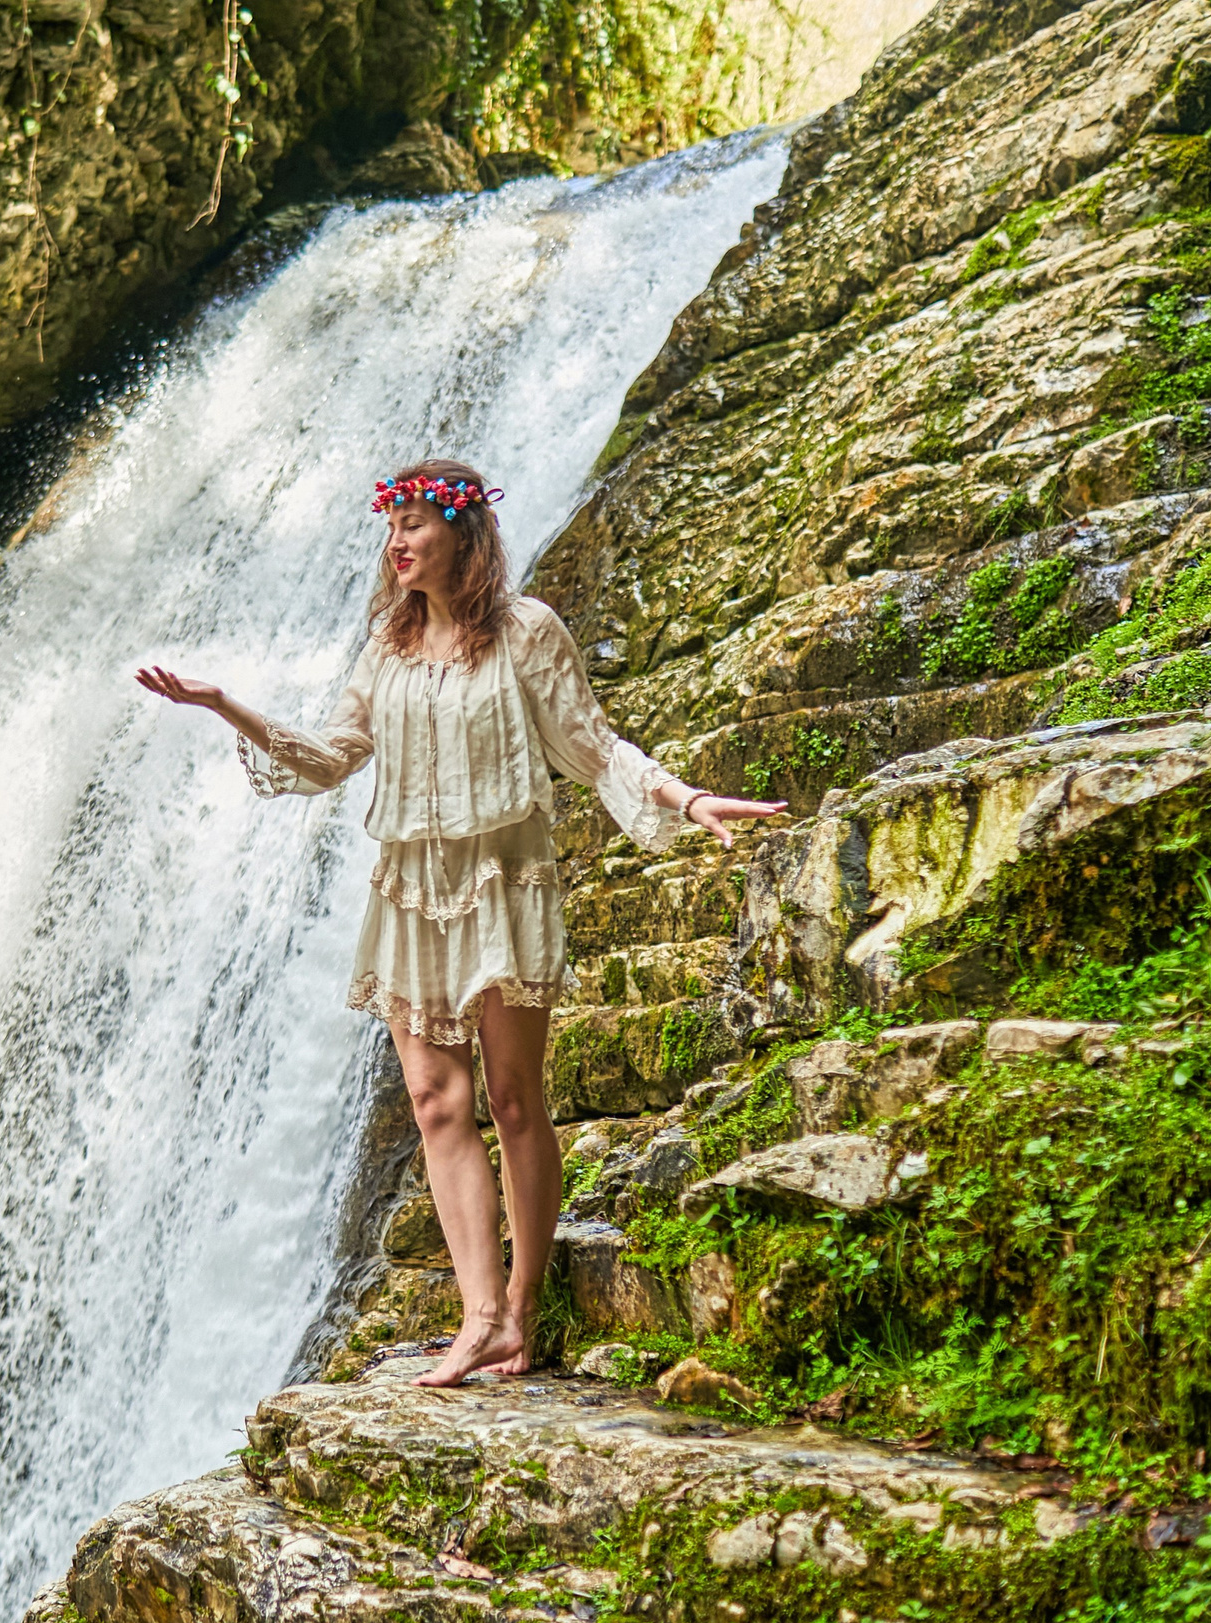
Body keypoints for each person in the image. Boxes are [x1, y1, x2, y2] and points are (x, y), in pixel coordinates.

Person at [136, 458, 786, 1387]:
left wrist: (685, 800)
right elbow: (329, 758)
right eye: (390, 528)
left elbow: (592, 748)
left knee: (515, 1098)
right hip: (410, 892)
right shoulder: (387, 645)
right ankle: (477, 1316)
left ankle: (521, 1310)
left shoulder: (526, 635)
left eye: (413, 525)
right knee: (438, 1102)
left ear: (462, 532)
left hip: (502, 880)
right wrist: (222, 706)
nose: (396, 543)